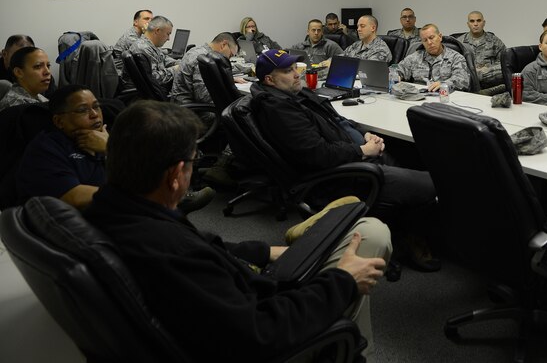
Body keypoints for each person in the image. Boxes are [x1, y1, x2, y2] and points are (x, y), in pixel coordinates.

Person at [84, 100, 391, 361]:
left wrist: (264, 251)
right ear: (176, 175)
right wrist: (344, 281)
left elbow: (199, 246)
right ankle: (342, 350)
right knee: (371, 232)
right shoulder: (168, 249)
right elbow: (261, 333)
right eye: (194, 160)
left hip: (246, 289)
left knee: (351, 222)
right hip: (274, 332)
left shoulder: (115, 211)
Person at [250, 49, 439, 271]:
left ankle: (403, 227)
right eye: (287, 71)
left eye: (295, 68)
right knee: (432, 184)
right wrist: (362, 150)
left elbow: (338, 119)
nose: (296, 74)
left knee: (416, 160)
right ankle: (408, 239)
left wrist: (365, 134)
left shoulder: (297, 94)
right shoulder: (279, 109)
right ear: (269, 80)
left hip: (358, 155)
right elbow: (318, 154)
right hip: (344, 174)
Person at [17, 84, 213, 212]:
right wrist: (142, 198)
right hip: (90, 224)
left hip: (122, 210)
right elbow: (74, 196)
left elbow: (143, 167)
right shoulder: (47, 149)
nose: (94, 114)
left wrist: (110, 146)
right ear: (59, 121)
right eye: (83, 110)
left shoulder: (106, 135)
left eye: (96, 106)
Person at [170, 32, 240, 105]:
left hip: (183, 102)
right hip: (189, 108)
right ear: (223, 45)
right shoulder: (204, 58)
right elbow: (203, 97)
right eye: (230, 55)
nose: (228, 59)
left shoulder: (198, 51)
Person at [397, 24, 470, 92]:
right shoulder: (415, 57)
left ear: (440, 37)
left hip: (444, 95)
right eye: (425, 40)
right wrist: (396, 76)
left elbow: (463, 80)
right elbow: (396, 70)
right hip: (418, 95)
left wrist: (444, 84)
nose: (429, 42)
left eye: (431, 38)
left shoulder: (455, 57)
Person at [125, 15, 179, 90]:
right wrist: (175, 69)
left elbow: (164, 59)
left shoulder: (151, 45)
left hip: (153, 90)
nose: (168, 39)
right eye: (168, 34)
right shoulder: (143, 48)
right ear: (157, 31)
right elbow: (154, 79)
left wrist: (180, 63)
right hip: (145, 93)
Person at [456, 11, 506, 90]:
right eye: (472, 21)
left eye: (478, 21)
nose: (475, 24)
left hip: (490, 82)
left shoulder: (494, 41)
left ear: (484, 23)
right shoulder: (460, 42)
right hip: (468, 82)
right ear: (468, 24)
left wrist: (487, 70)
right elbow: (455, 64)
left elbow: (505, 62)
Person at [0, 47, 51, 111]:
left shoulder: (36, 95)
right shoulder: (16, 106)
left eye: (48, 66)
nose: (47, 72)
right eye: (38, 66)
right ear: (18, 72)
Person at [112, 9, 152, 75]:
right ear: (136, 22)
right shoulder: (131, 37)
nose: (150, 22)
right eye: (146, 19)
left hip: (131, 72)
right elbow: (149, 54)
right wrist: (148, 34)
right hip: (122, 75)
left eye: (152, 20)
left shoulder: (139, 36)